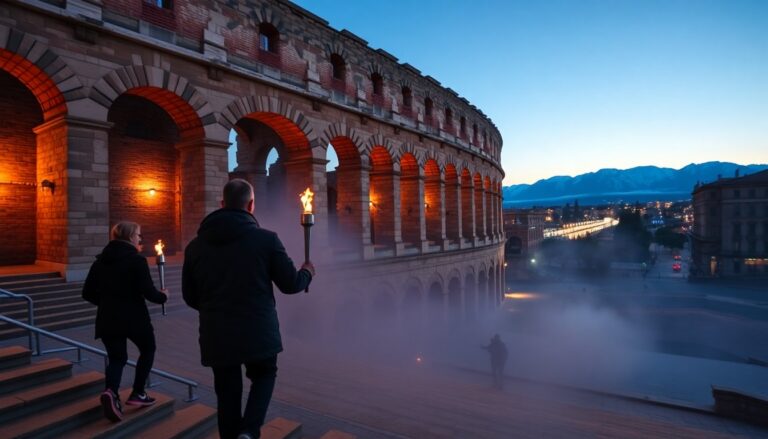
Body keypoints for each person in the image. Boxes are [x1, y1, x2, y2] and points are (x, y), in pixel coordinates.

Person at [182, 179, 315, 439]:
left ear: (222, 204)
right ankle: (250, 431)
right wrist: (307, 273)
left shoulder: (195, 247)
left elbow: (189, 296)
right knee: (264, 375)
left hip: (217, 333)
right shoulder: (266, 240)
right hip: (258, 330)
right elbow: (290, 284)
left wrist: (213, 308)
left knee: (227, 393)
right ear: (251, 205)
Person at [82, 221, 169, 422]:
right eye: (138, 235)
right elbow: (149, 293)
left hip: (108, 318)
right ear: (130, 237)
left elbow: (87, 293)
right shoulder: (136, 261)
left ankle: (111, 392)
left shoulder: (100, 261)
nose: (140, 238)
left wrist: (107, 303)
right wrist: (163, 296)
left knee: (117, 358)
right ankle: (138, 392)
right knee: (148, 349)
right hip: (135, 318)